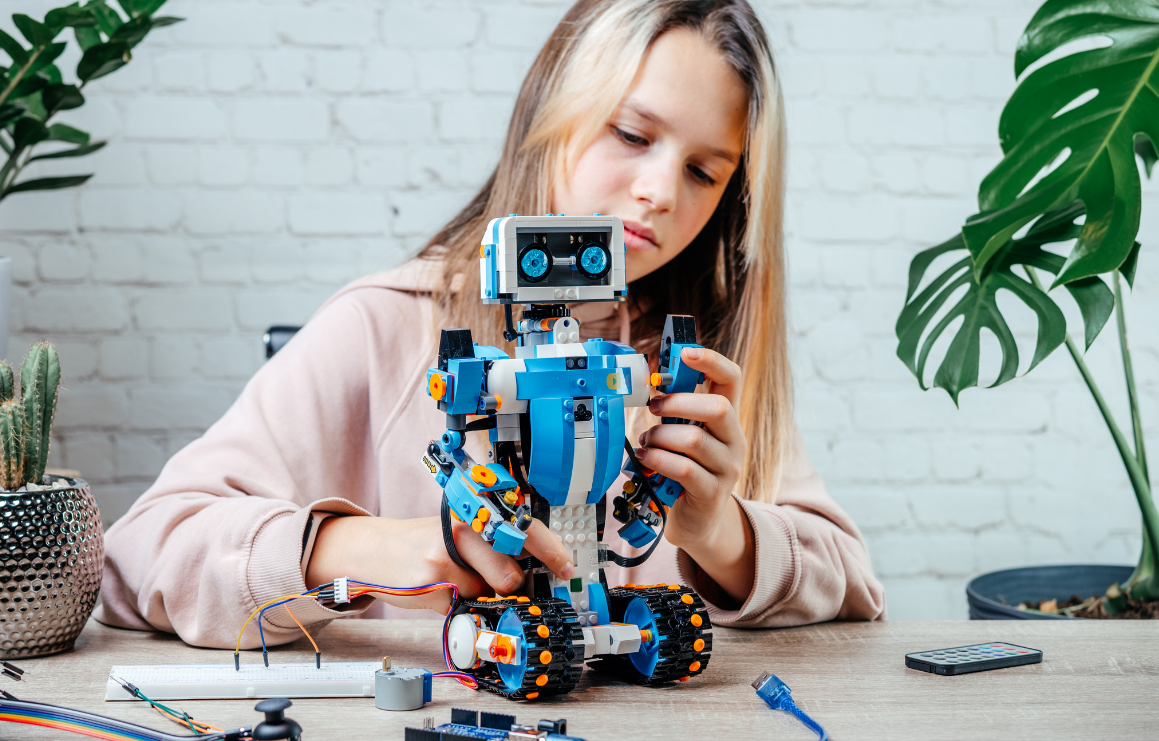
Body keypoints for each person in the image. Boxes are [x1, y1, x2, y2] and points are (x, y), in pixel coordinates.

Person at [97, 0, 885, 650]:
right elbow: (138, 558)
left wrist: (722, 534)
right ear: (552, 112)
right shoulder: (384, 328)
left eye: (704, 171)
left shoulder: (698, 366)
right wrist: (388, 552)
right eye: (632, 134)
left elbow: (848, 576)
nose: (657, 191)